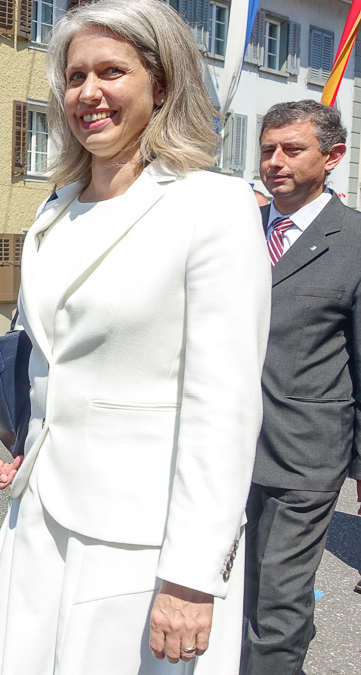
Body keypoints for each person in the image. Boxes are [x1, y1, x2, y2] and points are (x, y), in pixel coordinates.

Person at [0, 2, 270, 672]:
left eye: (110, 71)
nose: (88, 92)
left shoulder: (211, 206)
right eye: (75, 77)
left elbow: (224, 406)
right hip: (41, 510)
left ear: (161, 83)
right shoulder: (58, 206)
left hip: (141, 538)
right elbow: (43, 338)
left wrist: (192, 575)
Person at [242, 100, 361, 675]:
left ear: (333, 157)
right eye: (267, 149)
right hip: (224, 447)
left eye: (292, 149)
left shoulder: (354, 240)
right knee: (225, 590)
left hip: (303, 458)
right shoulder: (238, 232)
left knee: (278, 604)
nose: (275, 162)